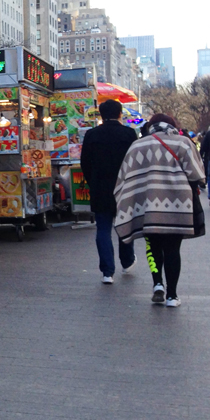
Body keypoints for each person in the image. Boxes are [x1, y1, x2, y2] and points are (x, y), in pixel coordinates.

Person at [115, 114, 206, 307]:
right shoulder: (182, 143)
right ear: (172, 125)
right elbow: (196, 174)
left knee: (153, 247)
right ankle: (172, 296)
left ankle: (157, 284)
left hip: (147, 206)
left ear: (150, 126)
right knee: (173, 249)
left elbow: (123, 178)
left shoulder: (137, 146)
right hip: (178, 205)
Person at [80, 99, 138, 284]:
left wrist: (93, 182)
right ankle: (127, 261)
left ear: (101, 115)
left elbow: (85, 163)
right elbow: (135, 162)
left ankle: (107, 271)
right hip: (125, 187)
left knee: (103, 229)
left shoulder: (92, 134)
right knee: (125, 226)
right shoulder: (129, 134)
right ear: (120, 113)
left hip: (100, 188)